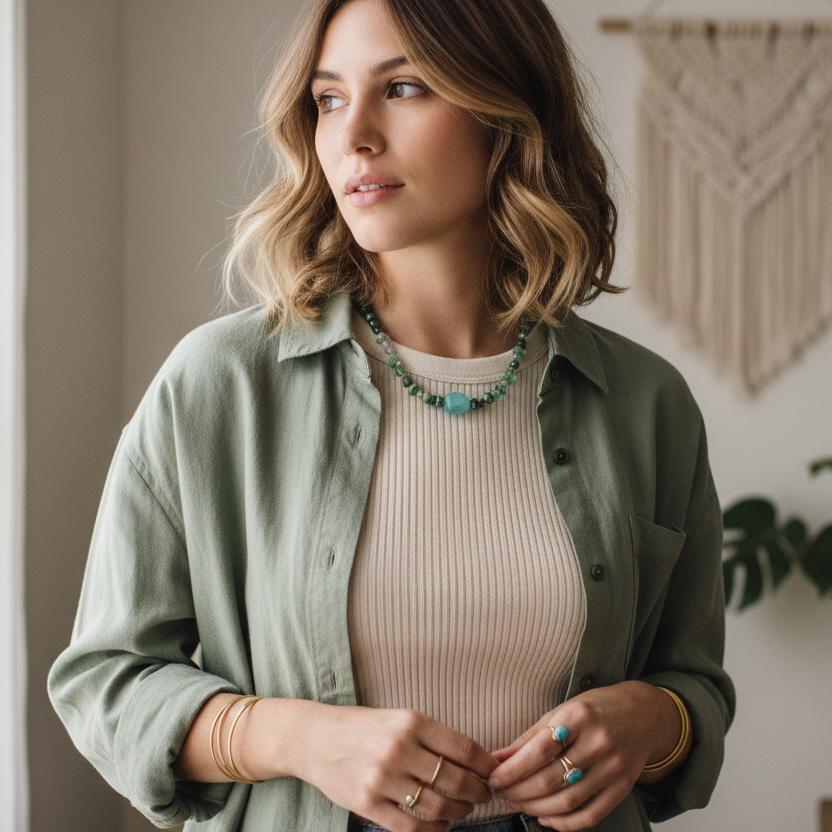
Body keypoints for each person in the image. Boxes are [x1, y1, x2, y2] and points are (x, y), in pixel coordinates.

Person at [48, 0, 735, 830]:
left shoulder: (646, 403)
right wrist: (298, 738)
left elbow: (695, 685)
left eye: (403, 88)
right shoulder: (219, 385)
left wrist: (656, 721)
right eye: (329, 99)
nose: (353, 135)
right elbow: (105, 682)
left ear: (507, 112)